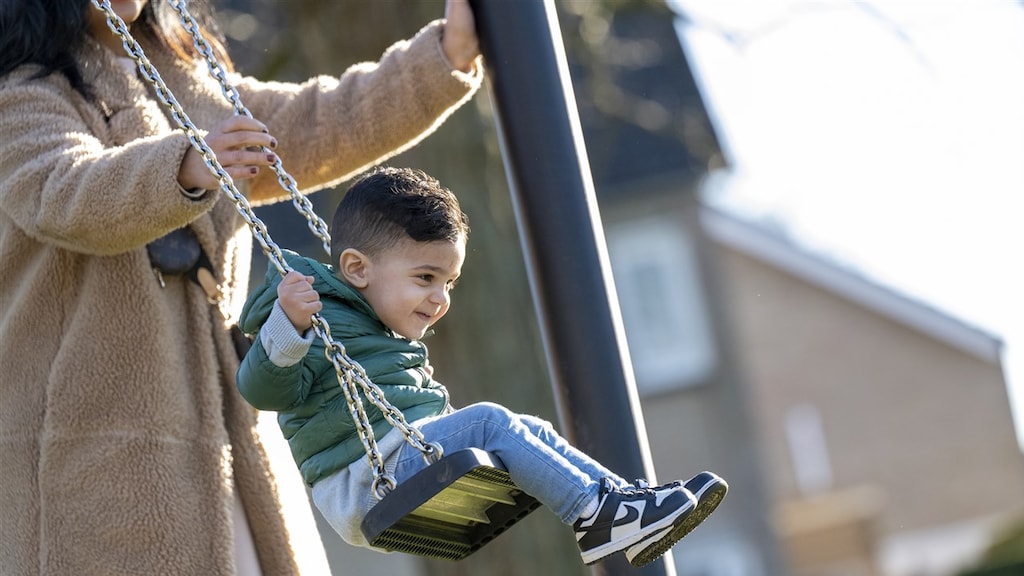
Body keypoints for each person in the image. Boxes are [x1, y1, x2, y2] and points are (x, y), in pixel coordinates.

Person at [0, 1, 483, 574]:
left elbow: (319, 122)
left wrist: (445, 56)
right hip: (89, 459)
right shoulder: (20, 91)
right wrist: (185, 166)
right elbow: (64, 192)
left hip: (232, 443)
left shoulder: (185, 74)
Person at [235, 166, 729, 567]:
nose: (440, 299)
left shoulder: (374, 321)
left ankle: (619, 505)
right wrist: (289, 324)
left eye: (449, 282)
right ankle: (597, 515)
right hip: (362, 482)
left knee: (530, 428)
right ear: (358, 268)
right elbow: (262, 390)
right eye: (426, 277)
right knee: (491, 421)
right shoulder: (317, 318)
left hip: (397, 457)